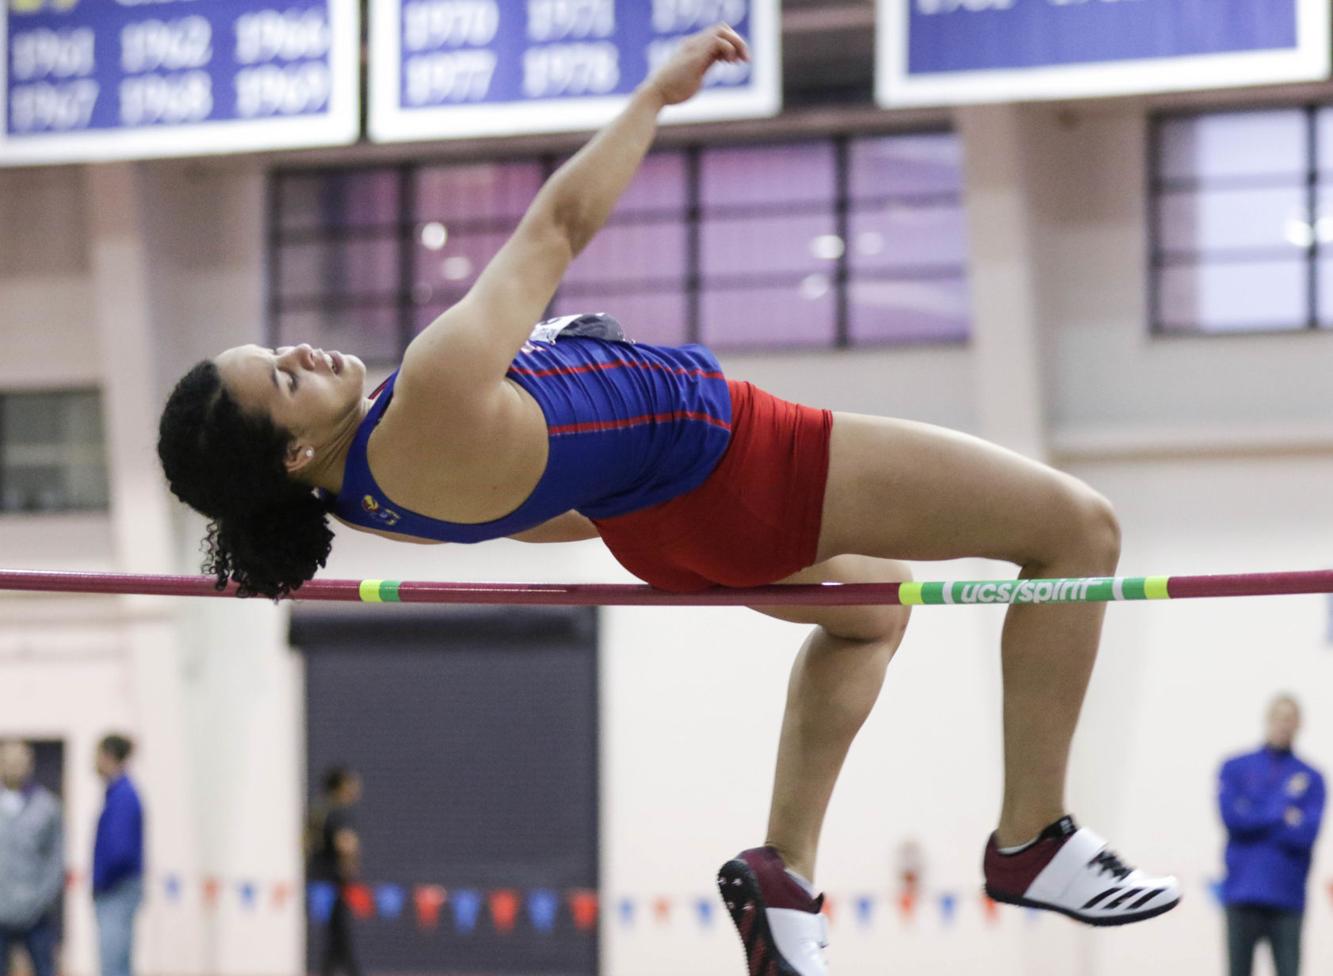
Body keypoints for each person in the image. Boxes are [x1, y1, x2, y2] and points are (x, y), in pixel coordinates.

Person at [155, 23, 1179, 975]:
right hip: (740, 461)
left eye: (277, 348)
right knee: (1074, 532)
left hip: (656, 522)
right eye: (283, 378)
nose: (302, 351)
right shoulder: (426, 395)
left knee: (870, 613)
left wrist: (607, 420)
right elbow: (558, 226)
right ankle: (1031, 837)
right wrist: (654, 95)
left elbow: (535, 505)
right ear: (293, 453)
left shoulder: (370, 497)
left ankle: (785, 871)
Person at [1218, 694, 1325, 976]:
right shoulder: (1236, 767)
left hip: (1287, 898)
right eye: (1279, 718)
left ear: (1299, 724)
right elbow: (1233, 820)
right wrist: (1283, 807)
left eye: (1290, 719)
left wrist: (1255, 809)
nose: (1283, 725)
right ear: (1268, 719)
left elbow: (1306, 834)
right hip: (1242, 894)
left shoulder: (1312, 778)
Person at [0, 740, 63, 976]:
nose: (13, 767)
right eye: (8, 761)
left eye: (19, 761)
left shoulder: (48, 807)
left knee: (44, 969)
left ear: (30, 765)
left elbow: (56, 860)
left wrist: (41, 900)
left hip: (36, 913)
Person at [93, 735, 143, 976]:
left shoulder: (123, 796)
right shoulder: (117, 793)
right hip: (117, 888)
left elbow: (120, 851)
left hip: (116, 890)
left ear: (108, 756)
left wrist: (103, 881)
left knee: (113, 965)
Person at [305, 767, 362, 976]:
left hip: (318, 877)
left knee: (335, 933)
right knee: (339, 932)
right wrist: (349, 867)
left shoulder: (318, 811)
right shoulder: (339, 812)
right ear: (341, 786)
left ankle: (331, 971)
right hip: (333, 878)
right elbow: (346, 843)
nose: (357, 787)